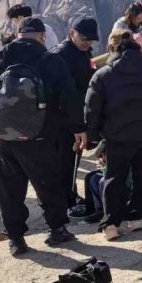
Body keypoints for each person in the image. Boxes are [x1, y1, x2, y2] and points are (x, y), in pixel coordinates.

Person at [0, 17, 85, 256]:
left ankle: (16, 239)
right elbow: (69, 96)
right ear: (42, 36)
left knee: (10, 189)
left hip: (5, 136)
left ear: (18, 34)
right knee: (48, 183)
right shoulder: (50, 60)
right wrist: (78, 128)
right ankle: (57, 229)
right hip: (42, 134)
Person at [85, 29, 142, 241]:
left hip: (118, 136)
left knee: (114, 178)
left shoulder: (103, 75)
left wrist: (93, 136)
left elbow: (91, 109)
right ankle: (136, 217)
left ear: (112, 49)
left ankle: (111, 224)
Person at [53, 17, 98, 211]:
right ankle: (64, 201)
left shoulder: (84, 52)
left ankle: (69, 195)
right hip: (63, 120)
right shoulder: (60, 55)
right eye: (83, 38)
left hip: (77, 116)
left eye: (90, 39)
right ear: (72, 33)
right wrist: (76, 125)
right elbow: (64, 94)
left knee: (72, 161)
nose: (87, 42)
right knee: (64, 162)